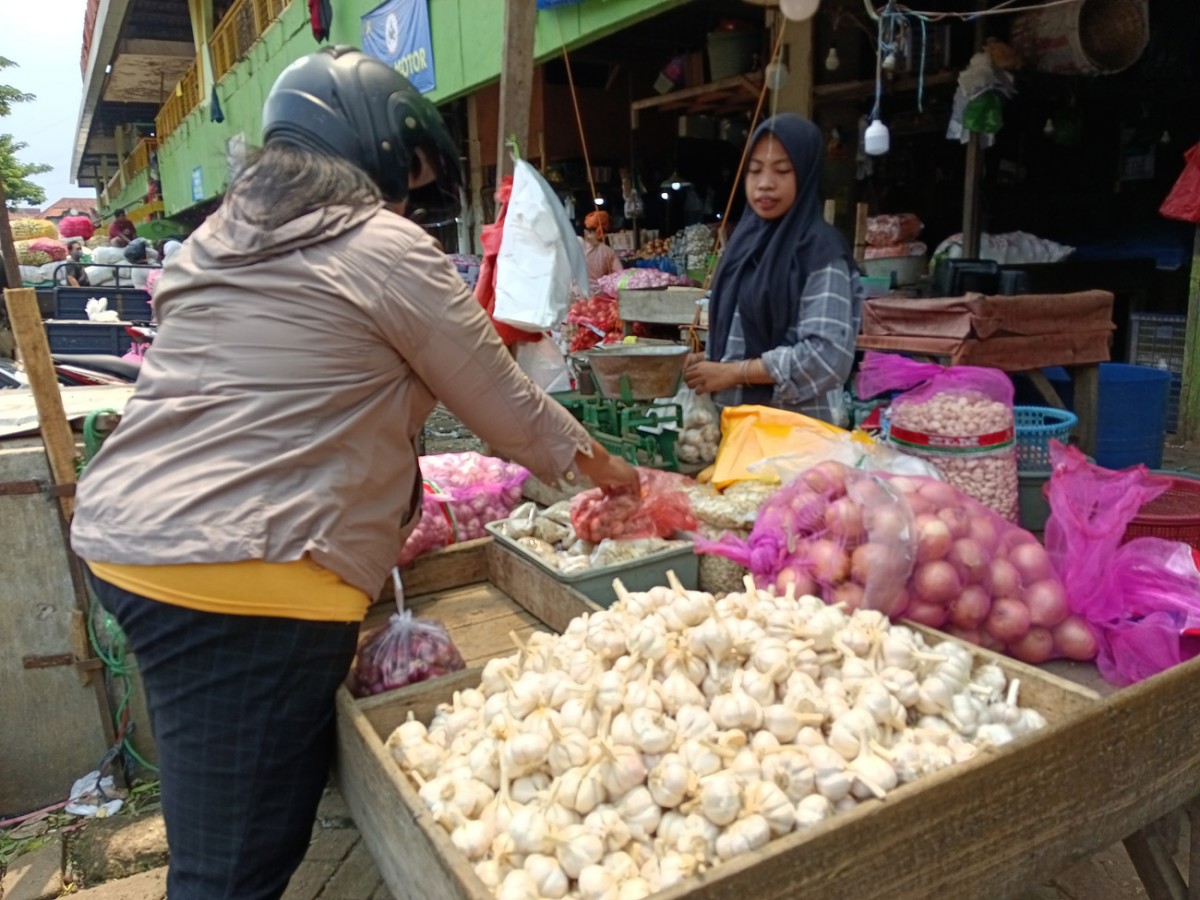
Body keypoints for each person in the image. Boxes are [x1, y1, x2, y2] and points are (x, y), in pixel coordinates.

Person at [70, 45, 636, 900]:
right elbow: (509, 408)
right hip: (241, 579)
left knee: (235, 817)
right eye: (406, 181)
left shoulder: (218, 240)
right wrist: (619, 477)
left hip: (136, 547)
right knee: (234, 867)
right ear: (366, 149)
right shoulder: (381, 244)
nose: (408, 203)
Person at [684, 115, 863, 424]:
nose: (765, 183)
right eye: (754, 171)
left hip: (789, 434)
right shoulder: (745, 243)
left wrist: (733, 373)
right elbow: (747, 332)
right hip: (732, 428)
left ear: (806, 174)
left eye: (782, 170)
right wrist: (711, 361)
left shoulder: (820, 252)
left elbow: (826, 358)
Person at [578, 209, 622, 292]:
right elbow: (620, 275)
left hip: (574, 295)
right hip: (598, 296)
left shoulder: (576, 244)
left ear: (585, 231)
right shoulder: (608, 251)